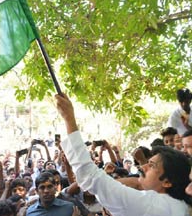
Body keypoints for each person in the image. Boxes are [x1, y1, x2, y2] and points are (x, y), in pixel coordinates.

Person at [55, 93, 190, 216]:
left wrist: (69, 119)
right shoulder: (179, 205)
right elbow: (137, 182)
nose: (142, 167)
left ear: (167, 182)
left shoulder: (152, 204)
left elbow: (91, 177)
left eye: (151, 165)